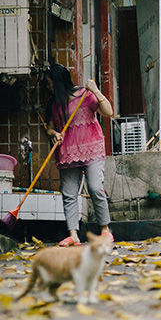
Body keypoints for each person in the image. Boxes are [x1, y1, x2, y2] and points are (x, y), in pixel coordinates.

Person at [45, 63, 114, 246]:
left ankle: (105, 230)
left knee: (95, 187)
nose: (48, 87)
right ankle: (73, 235)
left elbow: (108, 112)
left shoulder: (85, 95)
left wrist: (96, 90)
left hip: (92, 148)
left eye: (50, 83)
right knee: (68, 193)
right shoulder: (54, 103)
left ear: (59, 82)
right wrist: (54, 134)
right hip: (68, 151)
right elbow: (50, 128)